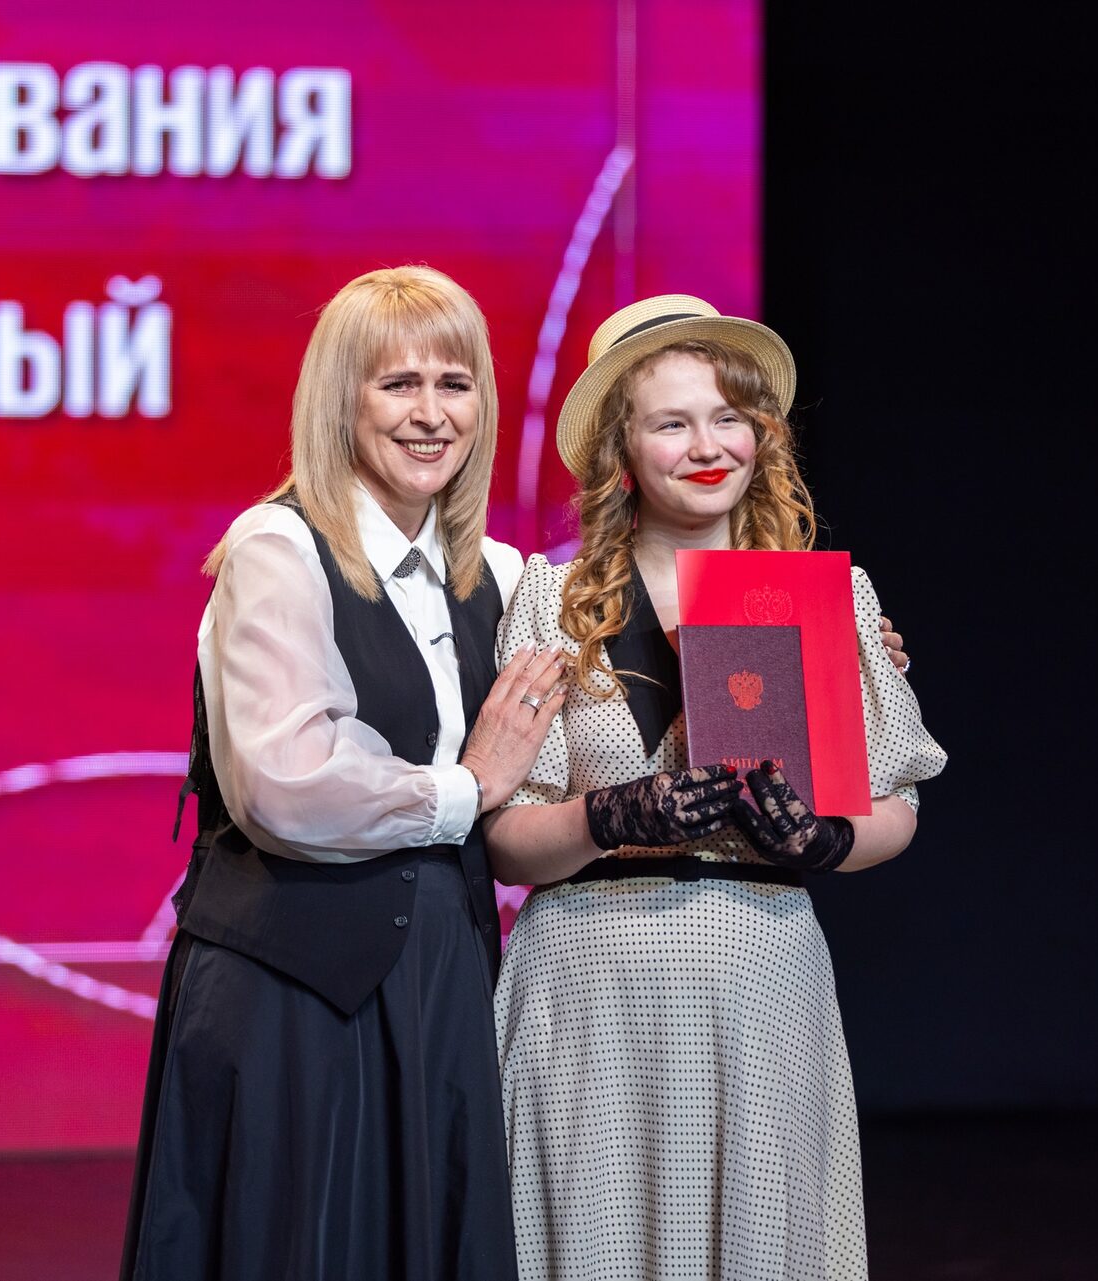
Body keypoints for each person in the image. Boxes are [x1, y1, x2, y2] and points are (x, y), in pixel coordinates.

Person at [119, 266, 568, 1281]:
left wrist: (841, 657)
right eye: (397, 383)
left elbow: (626, 673)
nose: (431, 413)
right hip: (291, 991)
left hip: (443, 979)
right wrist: (467, 789)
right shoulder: (276, 548)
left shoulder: (504, 577)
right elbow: (286, 782)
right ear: (340, 400)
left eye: (454, 384)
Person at [486, 295, 948, 1280]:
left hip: (759, 979)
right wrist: (610, 815)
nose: (707, 446)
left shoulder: (829, 598)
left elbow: (898, 803)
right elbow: (505, 837)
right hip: (590, 991)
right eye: (672, 422)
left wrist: (826, 840)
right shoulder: (549, 597)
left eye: (727, 417)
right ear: (621, 449)